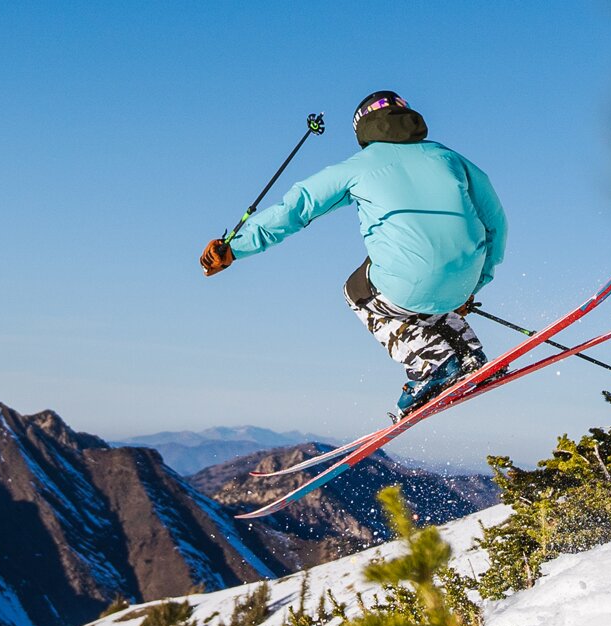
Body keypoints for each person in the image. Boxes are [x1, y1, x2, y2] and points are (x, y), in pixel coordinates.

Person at [200, 90, 508, 415]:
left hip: (408, 284)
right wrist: (474, 285)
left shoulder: (357, 168)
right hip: (464, 279)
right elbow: (496, 223)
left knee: (358, 291)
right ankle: (468, 352)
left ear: (362, 129)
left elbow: (297, 208)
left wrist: (234, 248)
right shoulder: (450, 159)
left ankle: (429, 362)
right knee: (397, 283)